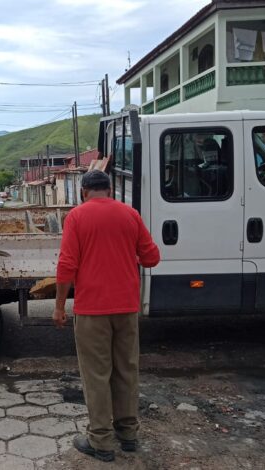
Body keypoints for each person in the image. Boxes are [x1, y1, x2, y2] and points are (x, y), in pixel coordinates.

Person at [52, 170, 160, 462]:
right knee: (126, 370)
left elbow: (66, 266)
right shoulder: (130, 214)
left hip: (92, 312)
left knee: (97, 375)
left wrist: (60, 306)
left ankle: (100, 442)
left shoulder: (76, 217)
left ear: (84, 192)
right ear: (109, 190)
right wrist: (127, 255)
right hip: (126, 309)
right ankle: (128, 435)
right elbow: (152, 257)